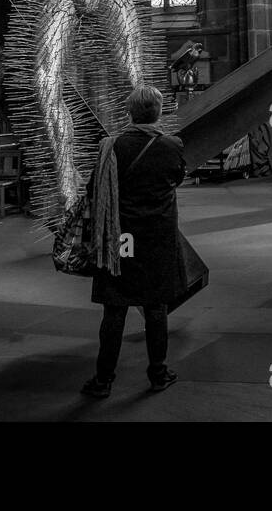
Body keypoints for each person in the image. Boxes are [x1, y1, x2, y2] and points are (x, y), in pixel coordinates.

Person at [81, 85, 186, 398]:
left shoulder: (111, 146)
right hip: (157, 236)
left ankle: (103, 380)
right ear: (159, 112)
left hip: (118, 238)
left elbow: (93, 189)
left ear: (129, 112)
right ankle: (158, 373)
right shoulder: (172, 145)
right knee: (156, 308)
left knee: (114, 311)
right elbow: (177, 179)